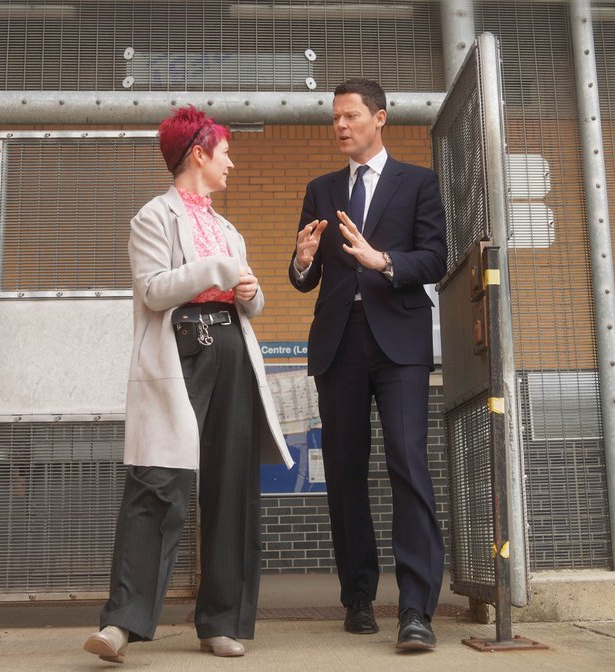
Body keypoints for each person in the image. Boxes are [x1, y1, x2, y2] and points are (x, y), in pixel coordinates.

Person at [84, 106, 294, 663]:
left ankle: (221, 621)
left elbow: (253, 299)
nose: (230, 163)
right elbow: (154, 290)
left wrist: (248, 291)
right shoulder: (152, 217)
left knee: (231, 485)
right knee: (159, 482)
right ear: (198, 154)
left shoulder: (229, 230)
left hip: (230, 349)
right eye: (224, 152)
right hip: (179, 350)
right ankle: (121, 624)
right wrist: (217, 271)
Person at [288, 78, 447, 651]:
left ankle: (415, 609)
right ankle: (357, 597)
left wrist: (384, 261)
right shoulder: (321, 188)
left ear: (380, 118)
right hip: (338, 343)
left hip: (399, 343)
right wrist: (303, 260)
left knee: (408, 465)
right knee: (345, 473)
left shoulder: (419, 184)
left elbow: (435, 256)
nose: (340, 126)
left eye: (351, 116)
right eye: (335, 118)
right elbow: (304, 279)